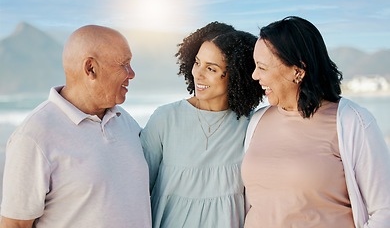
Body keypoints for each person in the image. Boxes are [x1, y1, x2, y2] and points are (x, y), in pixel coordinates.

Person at [242, 16, 390, 228]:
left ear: (297, 71)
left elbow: (384, 211)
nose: (255, 75)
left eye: (262, 67)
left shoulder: (352, 121)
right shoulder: (258, 120)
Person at [0, 25, 152, 228]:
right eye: (124, 64)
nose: (131, 74)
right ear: (91, 68)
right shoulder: (33, 136)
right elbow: (15, 224)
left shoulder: (126, 121)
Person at [140, 22, 264, 228]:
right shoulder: (165, 118)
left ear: (236, 76)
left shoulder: (251, 125)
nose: (198, 73)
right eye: (197, 62)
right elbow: (137, 188)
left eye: (211, 68)